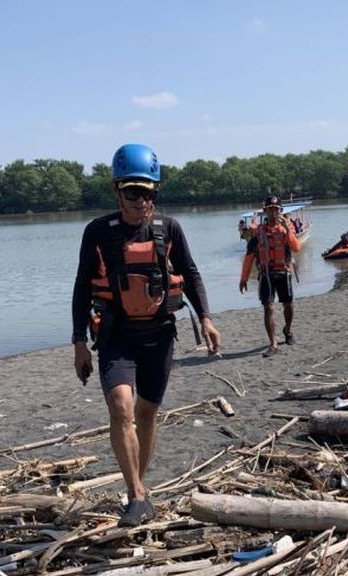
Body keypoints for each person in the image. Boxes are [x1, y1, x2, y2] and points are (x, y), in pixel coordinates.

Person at [71, 143, 221, 526]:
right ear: (115, 190)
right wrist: (78, 344)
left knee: (147, 412)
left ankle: (140, 485)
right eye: (132, 191)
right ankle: (136, 495)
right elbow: (81, 287)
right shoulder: (98, 233)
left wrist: (206, 317)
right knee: (121, 407)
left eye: (148, 191)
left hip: (159, 335)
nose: (141, 200)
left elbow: (190, 272)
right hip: (116, 336)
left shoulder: (169, 229)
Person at [239, 195, 300, 357]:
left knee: (288, 305)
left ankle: (287, 330)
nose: (273, 213)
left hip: (284, 272)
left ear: (280, 210)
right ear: (265, 211)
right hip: (265, 274)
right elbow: (249, 257)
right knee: (268, 306)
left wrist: (287, 229)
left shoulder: (287, 229)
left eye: (276, 209)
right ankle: (273, 342)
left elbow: (296, 248)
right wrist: (244, 278)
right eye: (270, 209)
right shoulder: (257, 233)